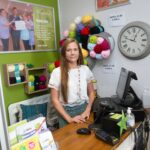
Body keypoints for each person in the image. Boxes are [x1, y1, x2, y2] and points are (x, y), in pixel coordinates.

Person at [48, 38, 95, 128]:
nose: (72, 53)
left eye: (75, 49)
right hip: (65, 113)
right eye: (68, 50)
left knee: (85, 140)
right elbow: (54, 100)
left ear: (79, 52)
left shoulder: (85, 69)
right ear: (64, 53)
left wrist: (88, 110)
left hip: (84, 110)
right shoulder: (57, 72)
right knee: (69, 141)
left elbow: (92, 92)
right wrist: (69, 119)